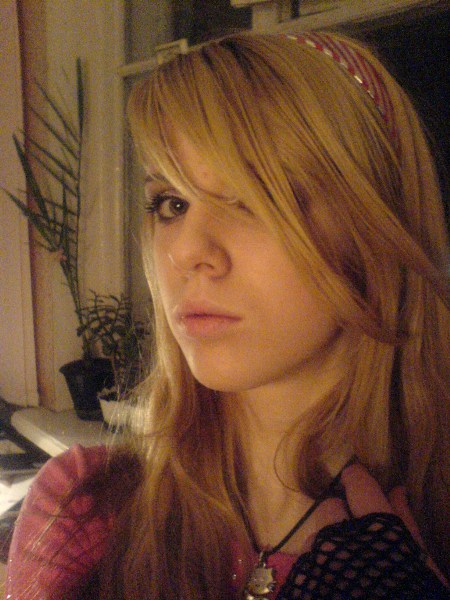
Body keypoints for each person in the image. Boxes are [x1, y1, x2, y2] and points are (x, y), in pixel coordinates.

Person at [5, 31, 449, 599]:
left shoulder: (433, 528)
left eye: (253, 197)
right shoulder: (84, 507)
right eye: (172, 204)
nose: (187, 251)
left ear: (376, 224)